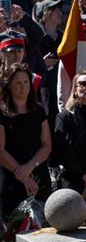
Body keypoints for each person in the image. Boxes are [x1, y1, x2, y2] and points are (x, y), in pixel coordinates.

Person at [0, 65, 51, 216]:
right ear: (9, 85)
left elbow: (47, 145)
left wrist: (30, 166)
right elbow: (1, 150)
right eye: (18, 83)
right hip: (11, 178)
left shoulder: (38, 110)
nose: (23, 87)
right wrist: (23, 177)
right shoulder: (2, 112)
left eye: (26, 82)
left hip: (38, 176)